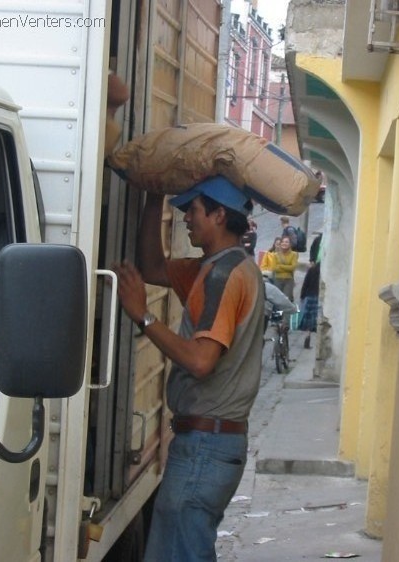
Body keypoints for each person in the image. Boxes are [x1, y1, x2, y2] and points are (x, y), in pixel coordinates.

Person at [111, 175, 265, 561]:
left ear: (217, 214)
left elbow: (200, 361)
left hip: (205, 447)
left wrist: (142, 316)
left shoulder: (222, 276)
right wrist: (153, 197)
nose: (186, 219)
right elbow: (151, 267)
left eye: (193, 210)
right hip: (208, 445)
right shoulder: (215, 268)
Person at [272, 235, 298, 302]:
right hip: (277, 279)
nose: (284, 243)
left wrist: (280, 266)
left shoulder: (294, 254)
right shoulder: (276, 255)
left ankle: (285, 312)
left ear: (290, 244)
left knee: (286, 300)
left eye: (287, 242)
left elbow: (293, 267)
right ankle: (278, 312)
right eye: (283, 242)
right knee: (277, 300)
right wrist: (287, 267)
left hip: (288, 280)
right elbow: (274, 268)